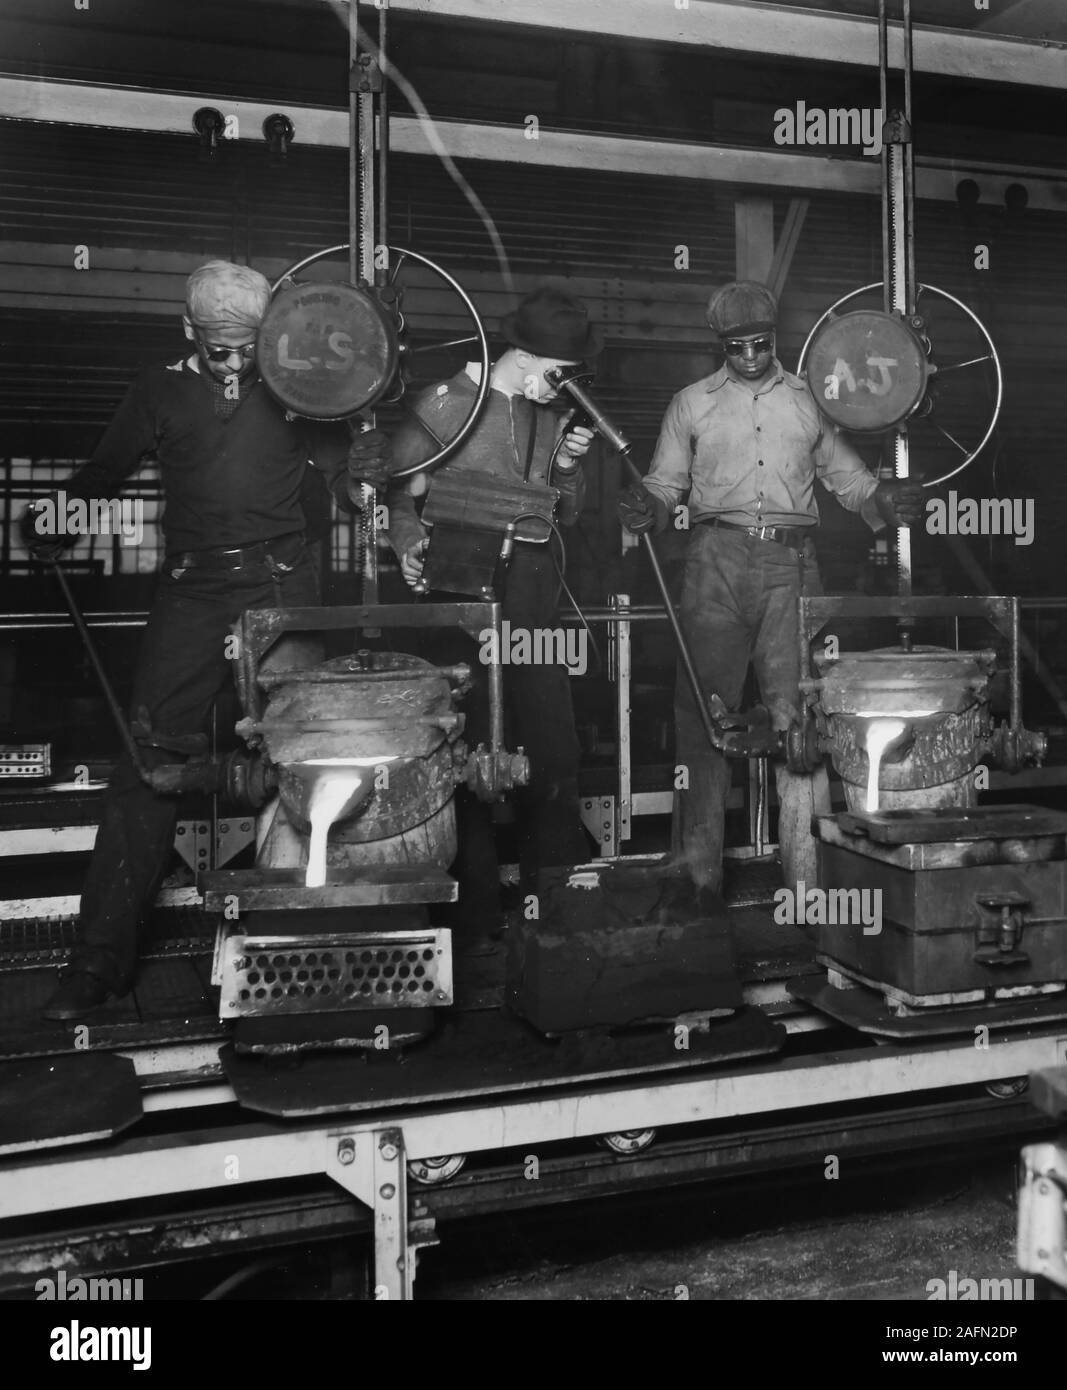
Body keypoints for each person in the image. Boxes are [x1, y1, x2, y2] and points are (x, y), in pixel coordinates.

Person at [21, 259, 390, 1019]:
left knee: (305, 755)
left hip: (283, 584)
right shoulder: (157, 389)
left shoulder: (297, 385)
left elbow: (348, 486)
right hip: (192, 590)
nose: (233, 364)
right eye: (218, 348)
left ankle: (308, 944)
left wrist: (370, 473)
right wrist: (56, 517)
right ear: (187, 331)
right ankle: (97, 966)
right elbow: (105, 469)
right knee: (148, 763)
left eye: (246, 348)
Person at [616, 280, 923, 899]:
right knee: (703, 715)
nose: (751, 356)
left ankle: (806, 882)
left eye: (760, 344)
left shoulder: (812, 400)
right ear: (720, 345)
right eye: (737, 346)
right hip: (714, 564)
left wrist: (888, 499)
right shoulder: (691, 403)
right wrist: (644, 504)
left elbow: (851, 482)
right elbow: (665, 482)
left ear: (776, 338)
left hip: (792, 566)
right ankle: (698, 879)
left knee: (799, 720)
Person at [385, 285, 598, 925]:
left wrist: (564, 468)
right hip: (461, 584)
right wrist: (406, 541)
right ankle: (470, 913)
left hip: (533, 585)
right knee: (461, 747)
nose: (562, 389)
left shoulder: (550, 413)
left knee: (552, 746)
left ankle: (554, 911)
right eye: (557, 375)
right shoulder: (447, 406)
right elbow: (397, 494)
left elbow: (574, 511)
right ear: (526, 357)